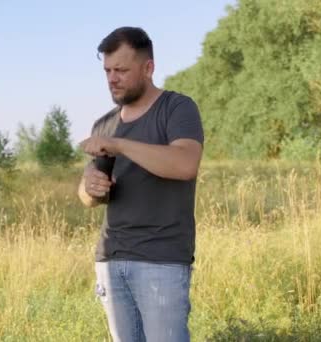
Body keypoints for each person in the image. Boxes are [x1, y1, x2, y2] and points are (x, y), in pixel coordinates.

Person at [78, 26, 204, 342]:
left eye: (121, 69)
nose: (112, 78)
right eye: (107, 70)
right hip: (111, 259)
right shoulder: (105, 123)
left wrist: (118, 145)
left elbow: (185, 164)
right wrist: (89, 186)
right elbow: (89, 197)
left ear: (148, 68)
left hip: (161, 260)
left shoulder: (177, 108)